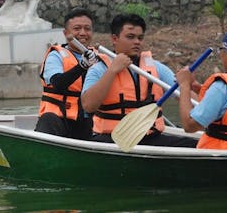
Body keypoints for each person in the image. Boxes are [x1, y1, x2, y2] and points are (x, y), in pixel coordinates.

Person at [81, 13, 197, 147]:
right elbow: (88, 106)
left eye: (140, 38)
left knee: (197, 144)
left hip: (150, 137)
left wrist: (188, 87)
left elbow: (184, 96)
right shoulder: (99, 68)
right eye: (130, 37)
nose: (137, 42)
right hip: (112, 139)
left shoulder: (156, 68)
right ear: (114, 39)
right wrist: (112, 71)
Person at [35, 8, 98, 139]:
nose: (83, 33)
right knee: (49, 119)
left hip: (88, 121)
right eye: (77, 29)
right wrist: (82, 66)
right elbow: (58, 83)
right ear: (66, 33)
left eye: (87, 29)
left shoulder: (100, 57)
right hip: (61, 119)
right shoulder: (56, 56)